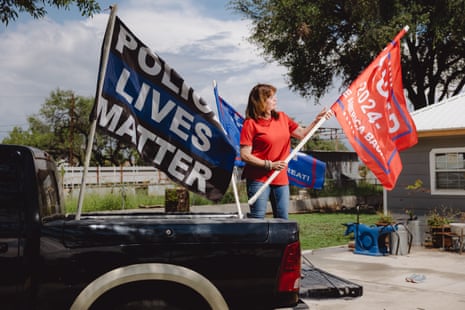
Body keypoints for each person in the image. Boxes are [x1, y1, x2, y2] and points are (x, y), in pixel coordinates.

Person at [239, 83, 326, 219]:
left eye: (274, 96)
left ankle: (281, 242)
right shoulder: (250, 124)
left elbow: (302, 133)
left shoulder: (282, 117)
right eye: (271, 97)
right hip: (258, 179)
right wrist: (269, 165)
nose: (275, 100)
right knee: (258, 219)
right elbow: (245, 155)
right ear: (261, 101)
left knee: (283, 219)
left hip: (280, 177)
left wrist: (316, 121)